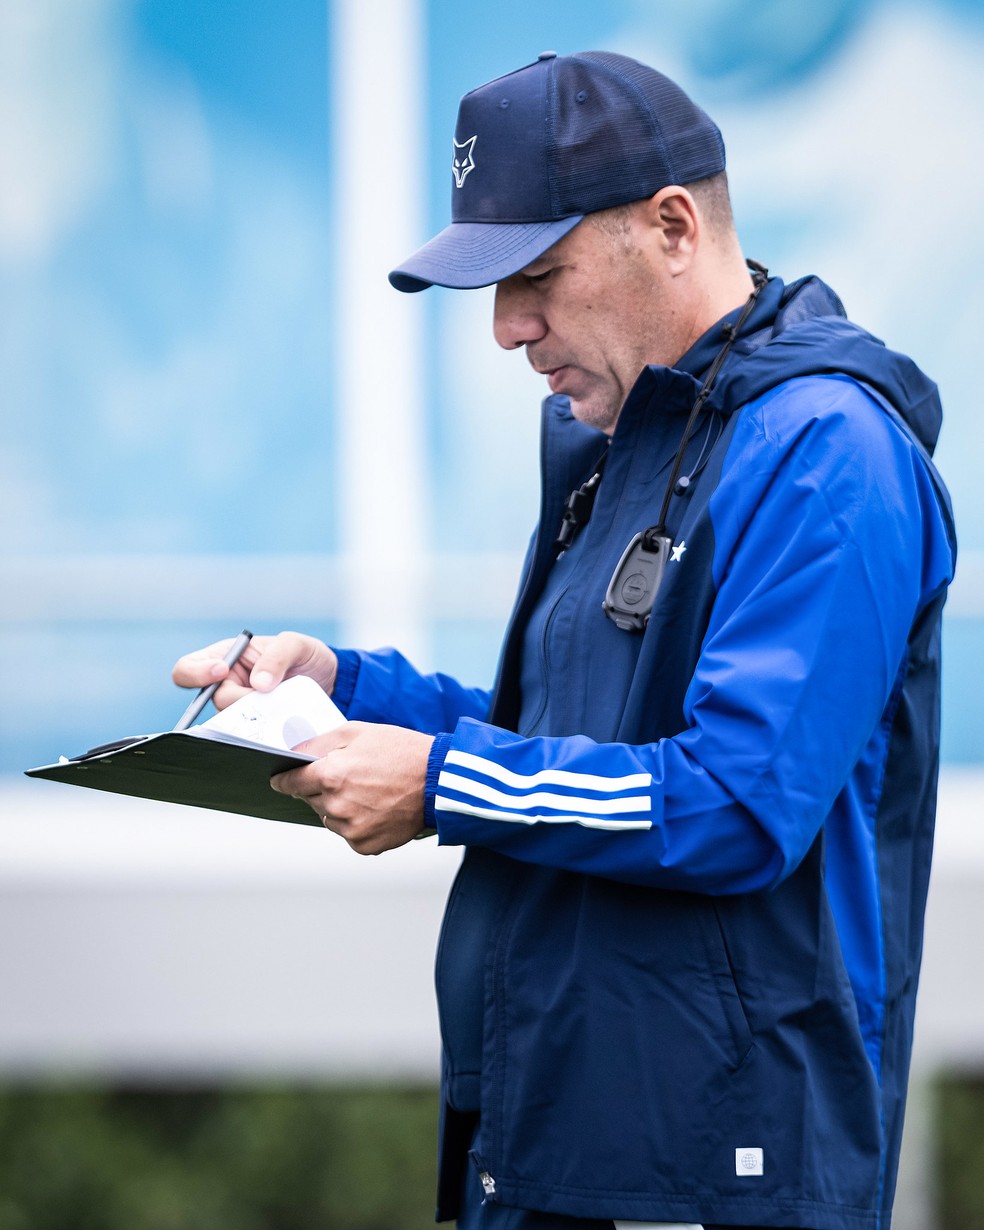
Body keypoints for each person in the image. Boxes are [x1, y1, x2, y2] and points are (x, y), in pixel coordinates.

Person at [173, 50, 956, 1230]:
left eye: (537, 275)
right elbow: (559, 741)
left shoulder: (828, 454)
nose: (504, 329)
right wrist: (344, 691)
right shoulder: (620, 436)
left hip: (710, 1167)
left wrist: (440, 785)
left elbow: (737, 806)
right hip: (552, 1138)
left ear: (675, 225)